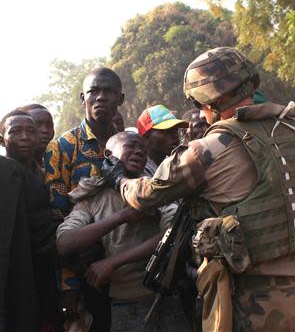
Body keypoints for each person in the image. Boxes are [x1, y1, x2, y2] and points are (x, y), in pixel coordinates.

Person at [104, 47, 295, 331]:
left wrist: (119, 179)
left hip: (261, 298)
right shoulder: (291, 131)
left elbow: (146, 195)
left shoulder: (211, 148)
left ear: (209, 97)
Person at [56, 131, 190, 332]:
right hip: (124, 304)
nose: (138, 152)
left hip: (165, 297)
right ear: (109, 154)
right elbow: (64, 243)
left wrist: (113, 262)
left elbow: (175, 233)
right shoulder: (93, 196)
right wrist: (123, 216)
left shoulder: (155, 190)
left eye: (143, 151)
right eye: (130, 146)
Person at [45, 67, 124, 331]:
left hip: (127, 267)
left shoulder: (128, 143)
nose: (101, 97)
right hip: (84, 270)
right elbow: (56, 219)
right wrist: (68, 285)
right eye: (94, 91)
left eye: (109, 91)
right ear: (83, 98)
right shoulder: (62, 147)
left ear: (120, 99)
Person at [0, 109, 60, 331]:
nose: (24, 137)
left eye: (30, 131)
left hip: (41, 276)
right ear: (2, 139)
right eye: (16, 132)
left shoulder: (51, 177)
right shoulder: (4, 174)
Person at [19, 103, 55, 170]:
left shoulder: (59, 167)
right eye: (37, 125)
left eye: (49, 125)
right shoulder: (7, 169)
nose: (45, 130)